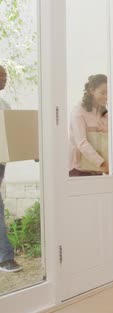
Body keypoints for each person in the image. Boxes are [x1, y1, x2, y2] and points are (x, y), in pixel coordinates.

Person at [0, 64, 23, 272]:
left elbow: (12, 134)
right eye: (1, 75)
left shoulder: (4, 104)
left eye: (5, 75)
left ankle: (5, 256)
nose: (5, 78)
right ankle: (5, 257)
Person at [69, 74, 109, 176]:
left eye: (108, 93)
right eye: (103, 93)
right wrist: (102, 164)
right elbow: (81, 143)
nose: (106, 97)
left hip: (98, 169)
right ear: (91, 91)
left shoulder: (105, 114)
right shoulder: (78, 111)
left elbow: (112, 139)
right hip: (79, 169)